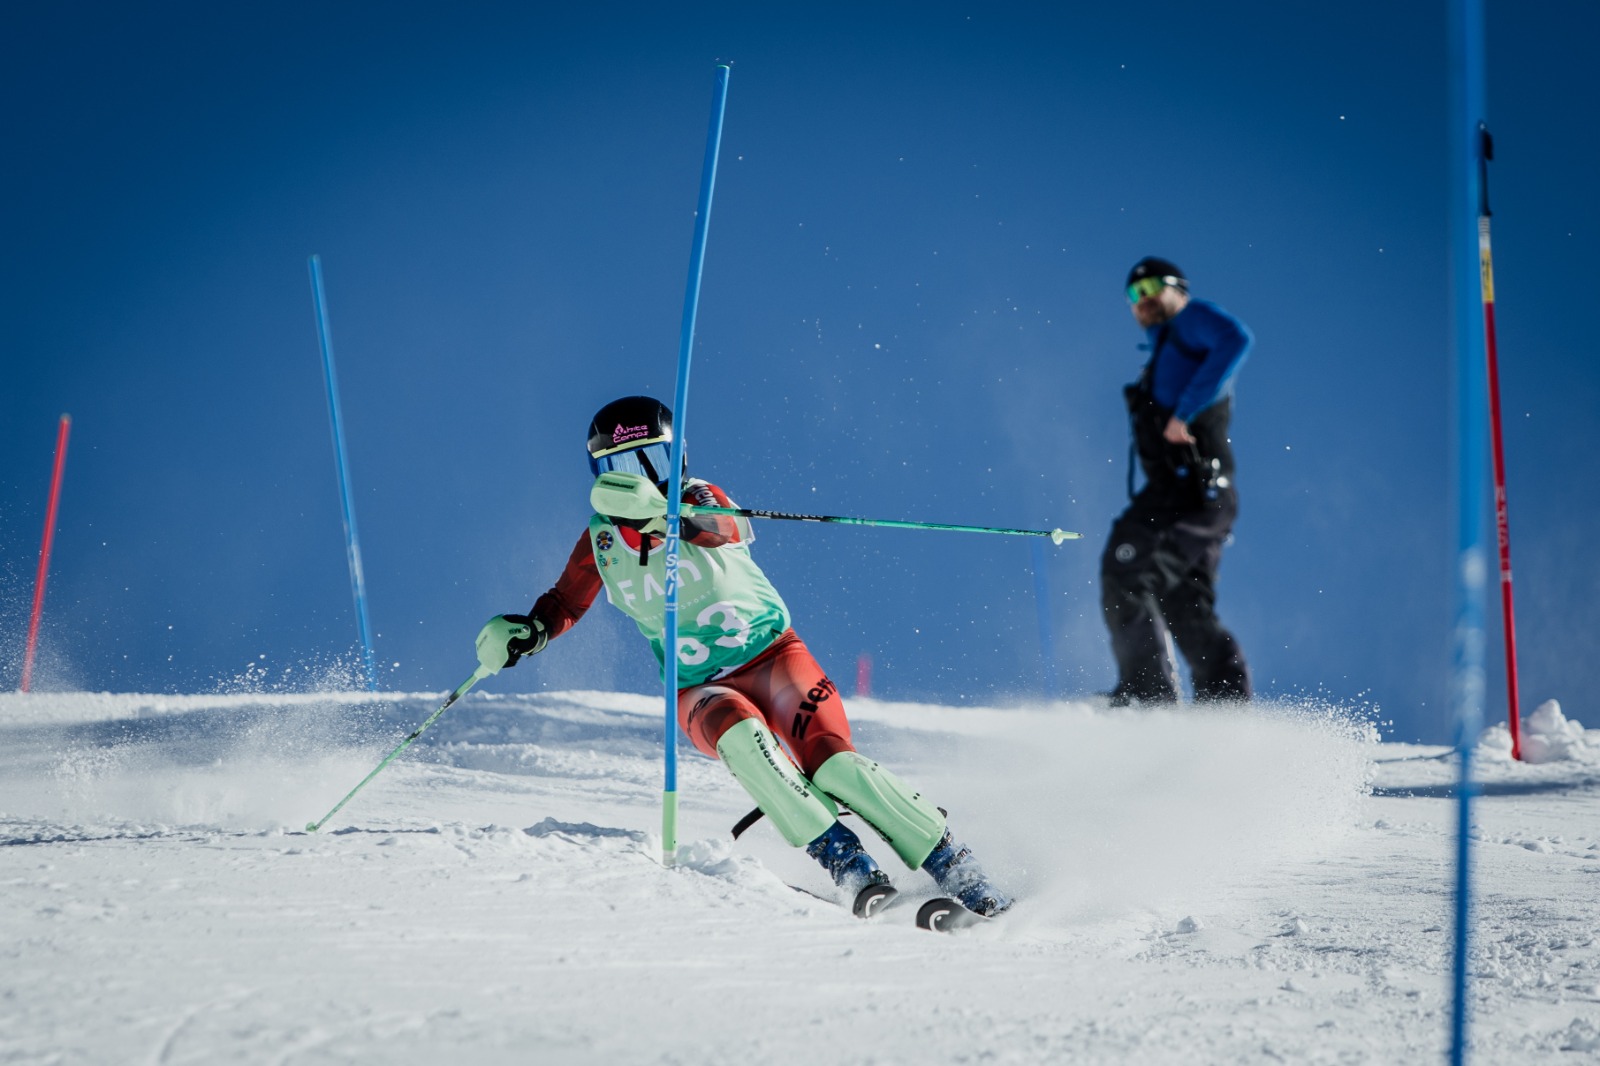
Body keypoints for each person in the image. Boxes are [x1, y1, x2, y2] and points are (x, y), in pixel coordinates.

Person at [475, 395, 1011, 919]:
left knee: (836, 766)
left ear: (678, 458)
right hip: (697, 685)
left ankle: (955, 864)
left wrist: (672, 519)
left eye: (654, 460)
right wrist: (531, 630)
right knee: (741, 738)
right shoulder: (601, 541)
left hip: (773, 656)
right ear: (599, 474)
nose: (642, 476)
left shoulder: (697, 495)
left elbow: (723, 526)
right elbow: (566, 600)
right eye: (623, 465)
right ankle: (846, 863)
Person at [1102, 257, 1253, 705]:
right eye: (1133, 294)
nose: (1141, 299)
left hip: (1192, 492)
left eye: (1150, 286)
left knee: (1129, 570)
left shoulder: (1190, 323)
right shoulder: (1164, 346)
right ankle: (1224, 713)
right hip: (1187, 496)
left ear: (1177, 288)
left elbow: (1235, 338)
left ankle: (1147, 697)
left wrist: (1182, 414)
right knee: (1182, 603)